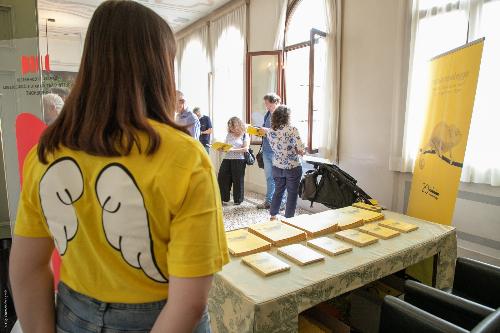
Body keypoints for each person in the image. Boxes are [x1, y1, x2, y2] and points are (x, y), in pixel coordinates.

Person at [9, 2, 228, 333]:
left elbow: (26, 269)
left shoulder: (46, 152)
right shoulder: (186, 158)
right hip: (160, 317)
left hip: (72, 314)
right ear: (160, 69)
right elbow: (189, 301)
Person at [267, 105, 305, 219]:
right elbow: (301, 150)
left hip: (277, 167)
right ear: (287, 117)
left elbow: (277, 148)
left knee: (278, 191)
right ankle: (289, 219)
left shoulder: (270, 131)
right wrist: (299, 150)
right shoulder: (292, 129)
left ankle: (273, 215)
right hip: (292, 167)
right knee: (292, 194)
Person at [256, 93, 286, 210]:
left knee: (280, 178)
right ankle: (268, 201)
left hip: (277, 151)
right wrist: (258, 131)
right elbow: (268, 131)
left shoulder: (283, 114)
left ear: (275, 102)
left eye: (267, 103)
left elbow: (282, 132)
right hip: (267, 150)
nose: (266, 106)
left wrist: (266, 130)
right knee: (269, 177)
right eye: (266, 104)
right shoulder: (268, 114)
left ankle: (282, 203)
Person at [217, 117, 250, 206]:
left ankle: (238, 200)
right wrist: (222, 148)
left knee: (238, 180)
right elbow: (226, 146)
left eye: (234, 127)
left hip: (239, 160)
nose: (232, 129)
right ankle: (224, 198)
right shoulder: (229, 134)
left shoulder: (244, 135)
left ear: (238, 125)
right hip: (227, 159)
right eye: (230, 127)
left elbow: (245, 149)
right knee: (222, 178)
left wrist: (232, 150)